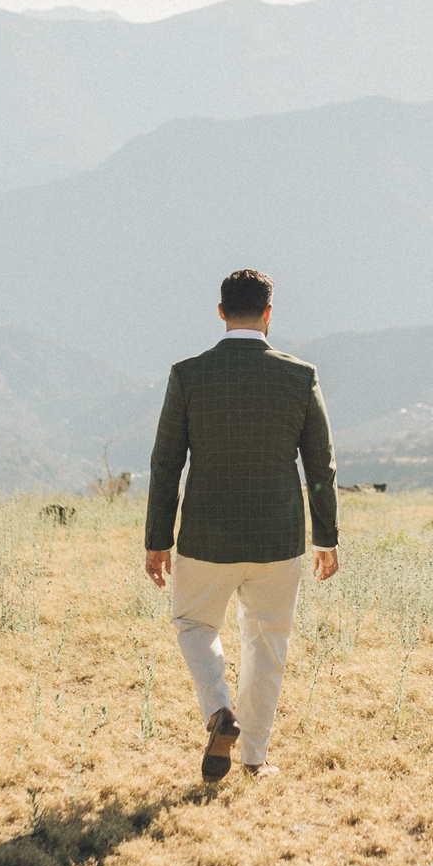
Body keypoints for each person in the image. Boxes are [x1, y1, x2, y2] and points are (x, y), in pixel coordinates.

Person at [143, 269, 339, 781]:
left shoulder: (188, 374)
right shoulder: (299, 376)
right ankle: (254, 756)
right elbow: (321, 465)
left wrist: (157, 541)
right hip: (277, 538)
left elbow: (166, 464)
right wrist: (327, 537)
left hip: (205, 535)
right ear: (269, 315)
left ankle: (218, 711)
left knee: (194, 624)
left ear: (221, 312)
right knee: (267, 642)